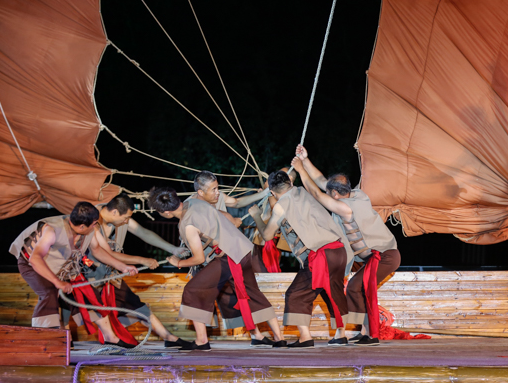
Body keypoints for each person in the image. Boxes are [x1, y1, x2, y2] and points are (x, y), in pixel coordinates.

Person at [149, 187, 286, 351]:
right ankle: (278, 338)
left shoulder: (187, 225)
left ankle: (201, 341)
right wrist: (232, 221)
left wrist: (178, 262)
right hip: (243, 250)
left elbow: (199, 259)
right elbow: (221, 214)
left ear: (165, 213)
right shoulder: (193, 200)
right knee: (252, 294)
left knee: (193, 290)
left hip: (229, 258)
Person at [294, 145, 401, 345]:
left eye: (330, 193)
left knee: (356, 286)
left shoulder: (345, 208)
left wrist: (300, 170)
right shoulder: (358, 194)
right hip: (379, 256)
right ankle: (367, 331)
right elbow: (322, 182)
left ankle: (371, 334)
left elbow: (317, 194)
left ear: (335, 194)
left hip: (385, 256)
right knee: (356, 287)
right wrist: (305, 160)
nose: (328, 194)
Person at [9, 202, 139, 346]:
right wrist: (58, 283)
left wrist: (123, 267)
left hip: (62, 268)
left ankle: (110, 338)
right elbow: (35, 259)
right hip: (32, 265)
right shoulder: (52, 231)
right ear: (82, 226)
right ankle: (48, 340)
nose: (96, 226)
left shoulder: (88, 230)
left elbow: (97, 251)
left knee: (88, 294)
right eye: (94, 224)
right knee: (49, 293)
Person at [85, 193, 192, 349]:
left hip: (108, 274)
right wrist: (142, 260)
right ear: (115, 212)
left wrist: (173, 249)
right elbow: (107, 253)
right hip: (87, 276)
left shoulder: (120, 218)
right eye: (126, 218)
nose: (127, 221)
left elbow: (144, 233)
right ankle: (63, 341)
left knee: (135, 303)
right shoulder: (92, 219)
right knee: (72, 307)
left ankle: (168, 337)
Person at [260, 169, 351, 348]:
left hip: (321, 255)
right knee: (332, 293)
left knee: (296, 294)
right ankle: (340, 335)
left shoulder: (280, 206)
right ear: (290, 183)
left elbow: (267, 235)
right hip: (339, 250)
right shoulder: (303, 191)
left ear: (272, 191)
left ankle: (305, 337)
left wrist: (257, 215)